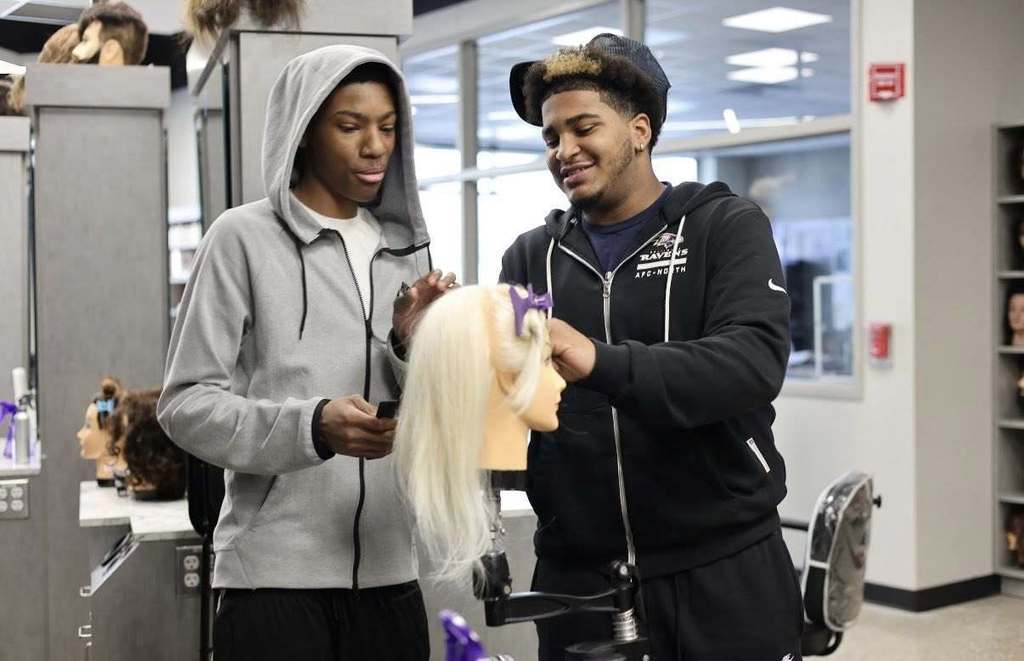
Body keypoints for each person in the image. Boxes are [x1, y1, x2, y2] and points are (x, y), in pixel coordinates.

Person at [500, 34, 801, 660]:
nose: (564, 150)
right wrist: (421, 348)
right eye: (551, 137)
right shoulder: (530, 256)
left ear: (640, 129)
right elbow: (508, 402)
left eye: (584, 127)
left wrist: (600, 361)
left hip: (721, 565)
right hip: (577, 579)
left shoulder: (725, 226)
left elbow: (751, 362)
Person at [157, 45, 454, 660]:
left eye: (388, 127)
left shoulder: (407, 253)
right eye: (350, 126)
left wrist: (407, 344)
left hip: (391, 574)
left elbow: (427, 406)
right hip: (274, 583)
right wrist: (311, 426)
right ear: (303, 132)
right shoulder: (240, 239)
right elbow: (184, 404)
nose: (374, 145)